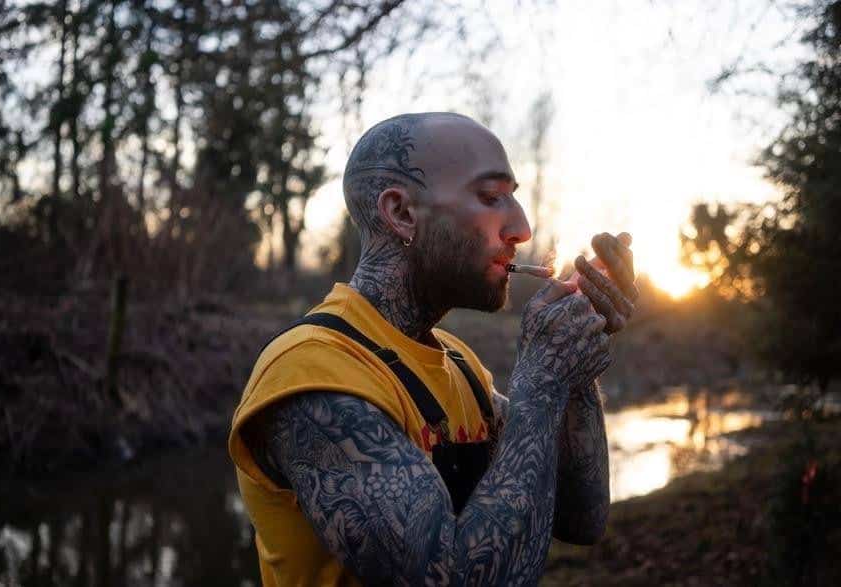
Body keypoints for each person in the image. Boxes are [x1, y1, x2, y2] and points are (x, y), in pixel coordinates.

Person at [228, 112, 638, 586]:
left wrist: (577, 351)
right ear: (401, 213)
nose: (522, 229)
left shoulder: (459, 363)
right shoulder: (310, 373)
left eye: (513, 197)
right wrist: (542, 382)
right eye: (491, 197)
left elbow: (580, 516)